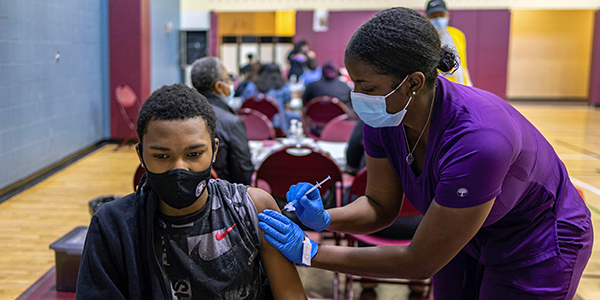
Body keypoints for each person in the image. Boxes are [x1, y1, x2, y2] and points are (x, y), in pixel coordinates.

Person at [258, 7, 592, 300]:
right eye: (354, 83)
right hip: (468, 235)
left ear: (413, 83)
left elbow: (419, 262)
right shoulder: (386, 115)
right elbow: (380, 205)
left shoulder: (479, 142)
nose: (355, 95)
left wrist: (310, 252)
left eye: (367, 86)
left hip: (537, 241)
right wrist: (327, 217)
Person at [76, 84, 307, 299]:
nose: (179, 168)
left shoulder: (253, 209)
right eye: (161, 156)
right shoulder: (112, 226)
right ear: (141, 155)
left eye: (194, 154)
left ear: (214, 150)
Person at [191, 57, 254, 185]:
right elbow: (243, 175)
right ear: (219, 86)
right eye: (228, 79)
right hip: (223, 197)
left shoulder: (182, 116)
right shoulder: (232, 122)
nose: (231, 83)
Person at [241, 63, 299, 133]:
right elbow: (287, 105)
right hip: (278, 127)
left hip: (253, 126)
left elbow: (244, 103)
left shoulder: (251, 86)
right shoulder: (283, 87)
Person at [425, 0, 472, 86]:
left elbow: (463, 65)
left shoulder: (458, 34)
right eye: (433, 16)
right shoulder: (424, 39)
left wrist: (468, 85)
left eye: (441, 15)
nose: (438, 19)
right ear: (427, 17)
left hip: (461, 87)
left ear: (447, 15)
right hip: (440, 90)